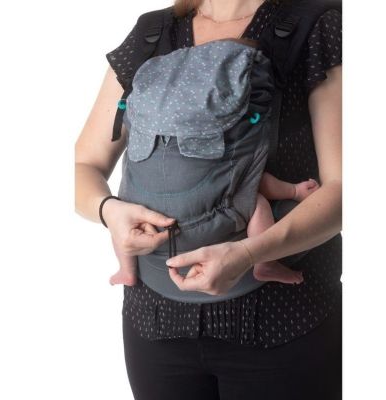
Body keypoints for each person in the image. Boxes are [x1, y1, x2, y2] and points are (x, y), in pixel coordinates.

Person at [74, 0, 342, 398]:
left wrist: (250, 253)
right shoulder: (151, 34)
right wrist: (108, 210)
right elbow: (83, 164)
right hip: (156, 328)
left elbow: (344, 188)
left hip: (281, 326)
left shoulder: (316, 26)